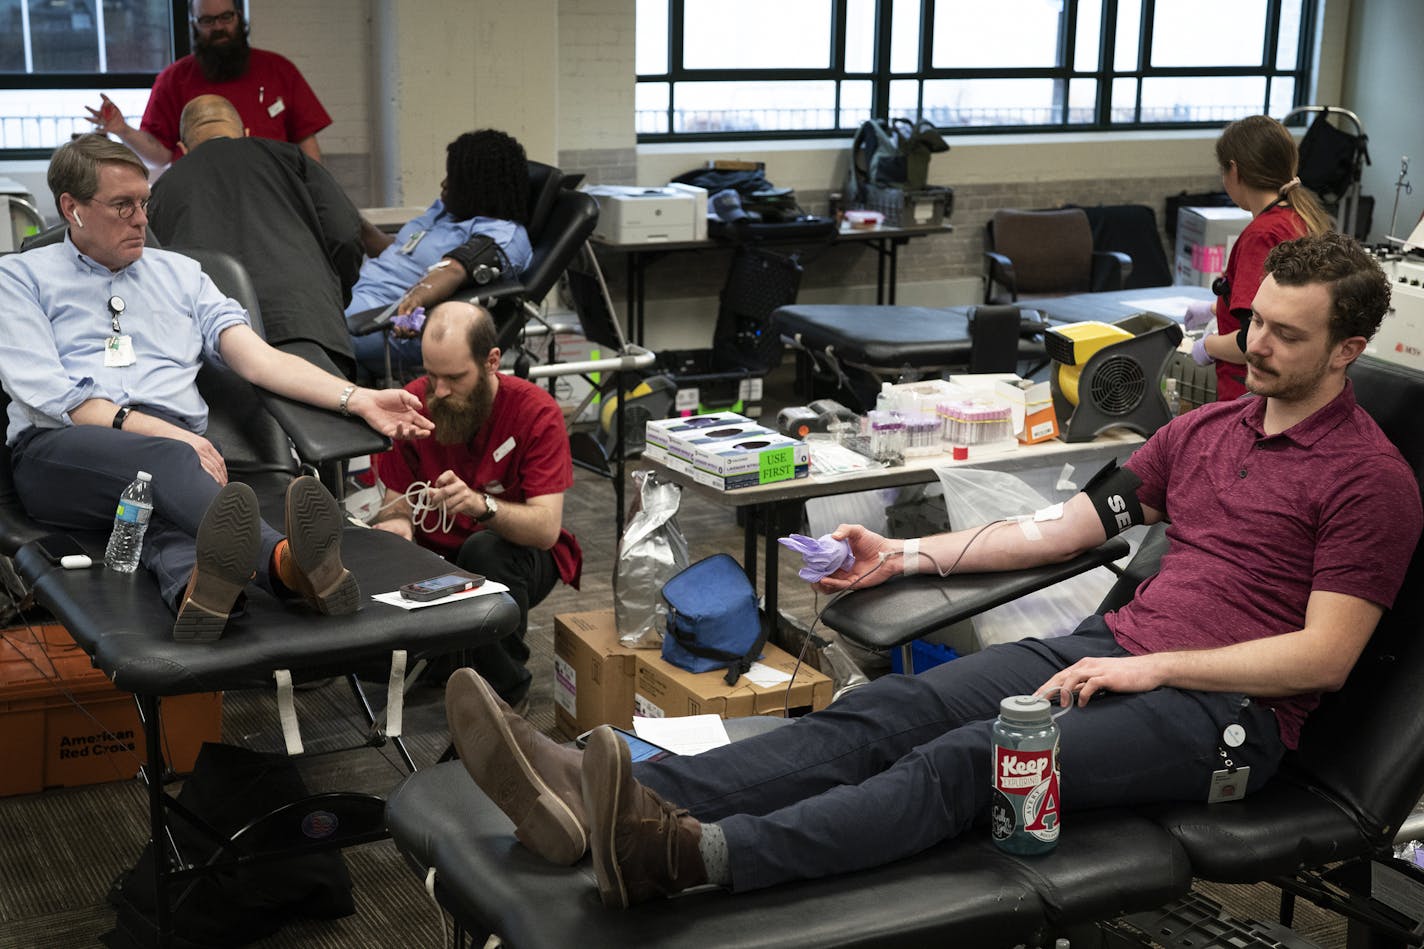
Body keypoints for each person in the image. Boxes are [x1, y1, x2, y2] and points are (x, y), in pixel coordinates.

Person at [443, 231, 1421, 906]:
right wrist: (899, 552)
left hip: (1225, 722)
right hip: (1107, 651)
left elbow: (1322, 658)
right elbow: (1056, 531)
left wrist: (1152, 667)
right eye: (1254, 320)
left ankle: (691, 857)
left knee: (965, 762)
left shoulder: (1368, 480)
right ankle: (587, 789)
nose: (1254, 343)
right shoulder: (1205, 427)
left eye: (1286, 335)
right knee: (885, 711)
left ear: (1348, 348)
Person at [0, 135, 433, 640]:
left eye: (145, 203)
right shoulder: (19, 278)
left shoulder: (183, 275)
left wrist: (357, 397)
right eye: (123, 206)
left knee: (169, 510)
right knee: (167, 466)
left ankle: (200, 594)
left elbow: (259, 359)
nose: (142, 220)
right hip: (60, 454)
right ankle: (284, 564)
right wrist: (173, 436)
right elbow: (54, 396)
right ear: (71, 208)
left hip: (170, 468)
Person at [370, 302, 581, 710]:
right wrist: (396, 526)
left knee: (484, 550)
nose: (440, 391)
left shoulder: (535, 412)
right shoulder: (415, 403)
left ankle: (505, 692)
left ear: (491, 361)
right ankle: (451, 658)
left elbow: (545, 529)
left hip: (514, 555)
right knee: (367, 660)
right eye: (431, 375)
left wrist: (480, 505)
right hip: (436, 555)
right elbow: (395, 501)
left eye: (454, 377)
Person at [148, 95, 364, 378]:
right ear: (246, 132)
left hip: (216, 347)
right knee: (326, 421)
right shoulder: (291, 158)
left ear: (183, 148)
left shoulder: (163, 189)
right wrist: (334, 295)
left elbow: (156, 274)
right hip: (307, 324)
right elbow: (345, 232)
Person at [344, 129, 534, 385]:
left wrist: (416, 299)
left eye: (453, 178)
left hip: (387, 323)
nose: (444, 184)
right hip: (354, 299)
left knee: (299, 327)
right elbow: (399, 252)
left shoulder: (502, 234)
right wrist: (349, 218)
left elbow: (453, 270)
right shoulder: (445, 212)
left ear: (476, 187)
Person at [1186, 115, 1332, 402]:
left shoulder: (1261, 235)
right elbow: (1282, 310)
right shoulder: (1298, 218)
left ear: (1234, 170)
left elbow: (1249, 342)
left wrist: (1209, 346)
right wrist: (1218, 309)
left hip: (1250, 394)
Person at [84, 0, 330, 169]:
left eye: (226, 17)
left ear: (239, 17)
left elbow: (306, 141)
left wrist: (316, 192)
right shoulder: (174, 79)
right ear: (194, 25)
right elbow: (160, 155)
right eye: (208, 21)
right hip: (200, 199)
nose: (219, 27)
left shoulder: (279, 70)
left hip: (274, 194)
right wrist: (123, 130)